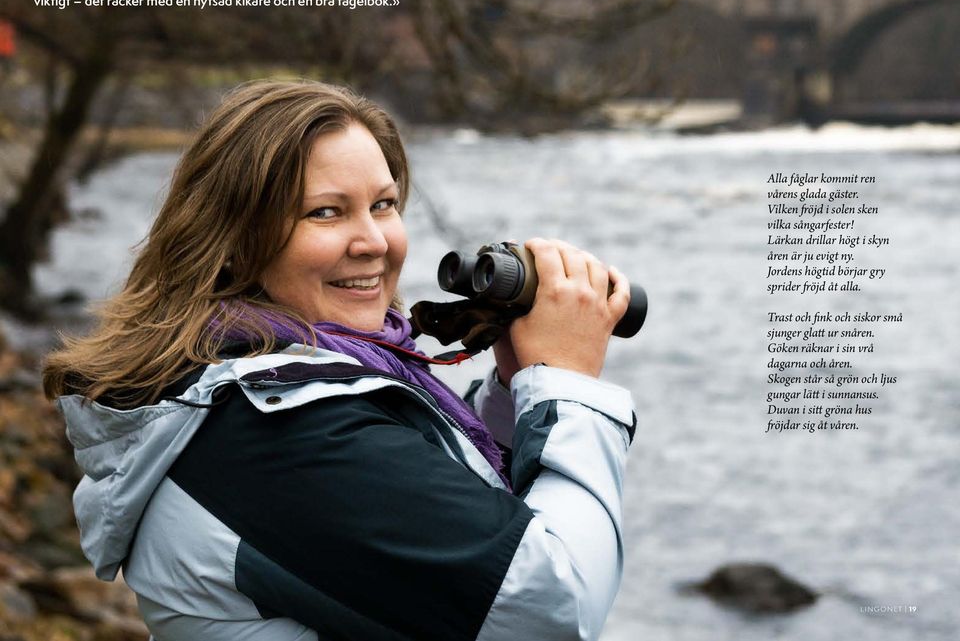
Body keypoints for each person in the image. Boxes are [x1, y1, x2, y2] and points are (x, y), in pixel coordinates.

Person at [44, 79, 636, 641]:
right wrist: (567, 386)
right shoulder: (276, 435)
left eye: (383, 205)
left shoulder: (238, 384)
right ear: (231, 239)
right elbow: (555, 606)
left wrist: (513, 388)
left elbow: (438, 493)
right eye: (326, 212)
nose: (374, 242)